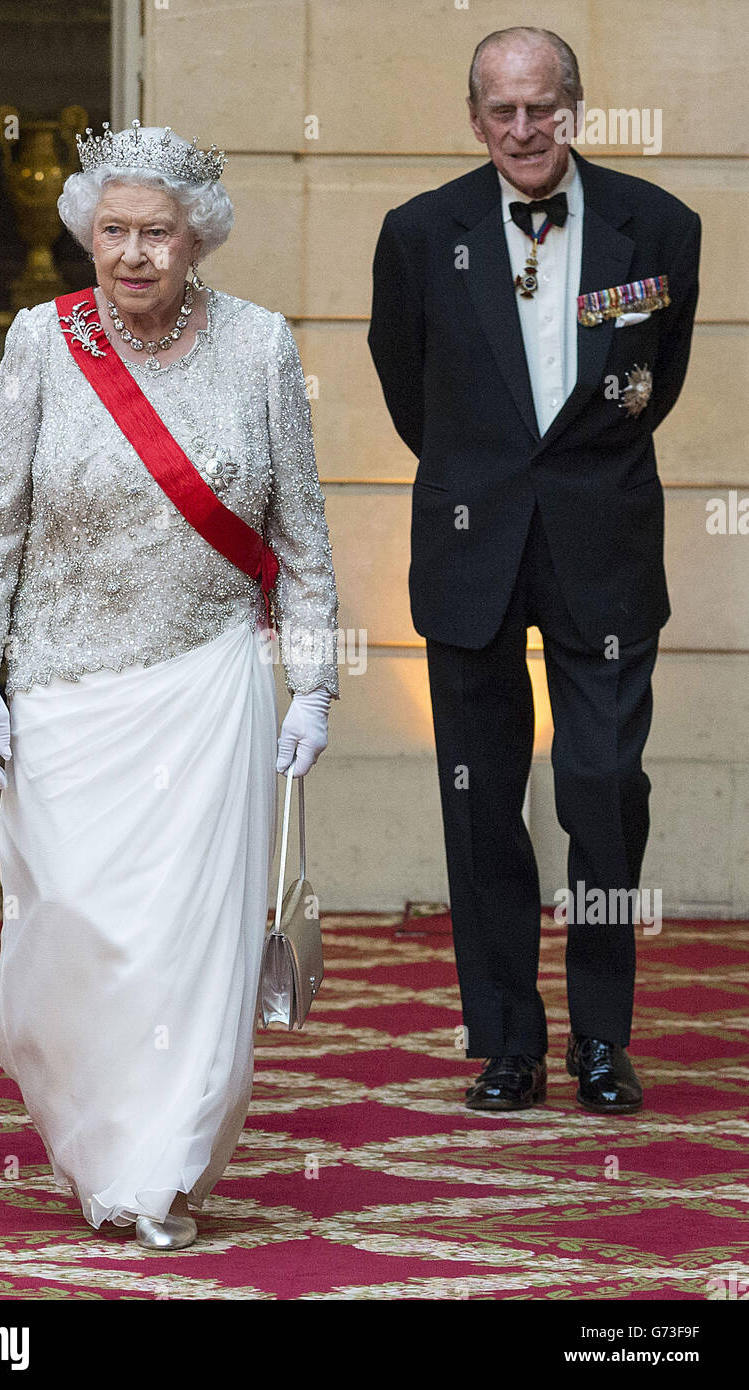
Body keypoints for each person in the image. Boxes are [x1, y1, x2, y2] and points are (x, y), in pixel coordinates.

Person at [0, 121, 340, 1249]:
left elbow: (301, 537)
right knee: (72, 936)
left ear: (196, 238)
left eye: (156, 232)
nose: (131, 253)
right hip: (66, 688)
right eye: (112, 230)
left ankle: (156, 1169)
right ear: (87, 234)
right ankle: (95, 1138)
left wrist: (311, 684)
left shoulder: (261, 346)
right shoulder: (42, 341)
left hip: (208, 692)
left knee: (187, 948)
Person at [368, 28, 700, 1114]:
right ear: (475, 118)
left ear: (575, 107)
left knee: (602, 793)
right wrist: (487, 472)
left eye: (543, 108)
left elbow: (662, 376)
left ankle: (602, 1037)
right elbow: (409, 391)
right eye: (502, 111)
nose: (524, 130)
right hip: (472, 545)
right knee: (480, 803)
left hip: (602, 543)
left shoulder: (662, 227)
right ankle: (505, 1036)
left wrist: (569, 474)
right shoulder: (418, 234)